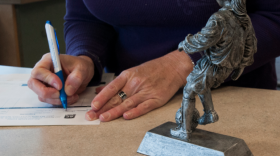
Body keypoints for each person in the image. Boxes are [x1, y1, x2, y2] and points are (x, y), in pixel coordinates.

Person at [28, 0, 280, 122]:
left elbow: (274, 13)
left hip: (235, 98)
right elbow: (87, 15)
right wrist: (84, 57)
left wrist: (182, 63)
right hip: (125, 105)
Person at [170, 0, 257, 140]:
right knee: (201, 84)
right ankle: (209, 113)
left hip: (212, 65)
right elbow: (250, 44)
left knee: (188, 91)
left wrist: (185, 44)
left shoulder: (219, 19)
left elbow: (204, 39)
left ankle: (184, 131)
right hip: (226, 68)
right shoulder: (243, 18)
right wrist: (241, 65)